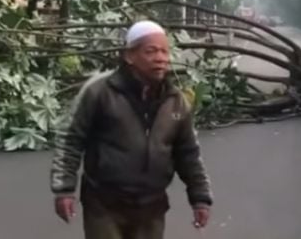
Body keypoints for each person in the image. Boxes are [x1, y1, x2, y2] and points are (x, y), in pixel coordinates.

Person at [50, 20, 213, 239]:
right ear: (129, 56)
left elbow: (188, 153)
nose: (161, 58)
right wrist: (64, 189)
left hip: (152, 208)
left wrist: (200, 198)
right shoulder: (99, 91)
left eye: (165, 51)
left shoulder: (175, 101)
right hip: (104, 205)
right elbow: (70, 139)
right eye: (151, 51)